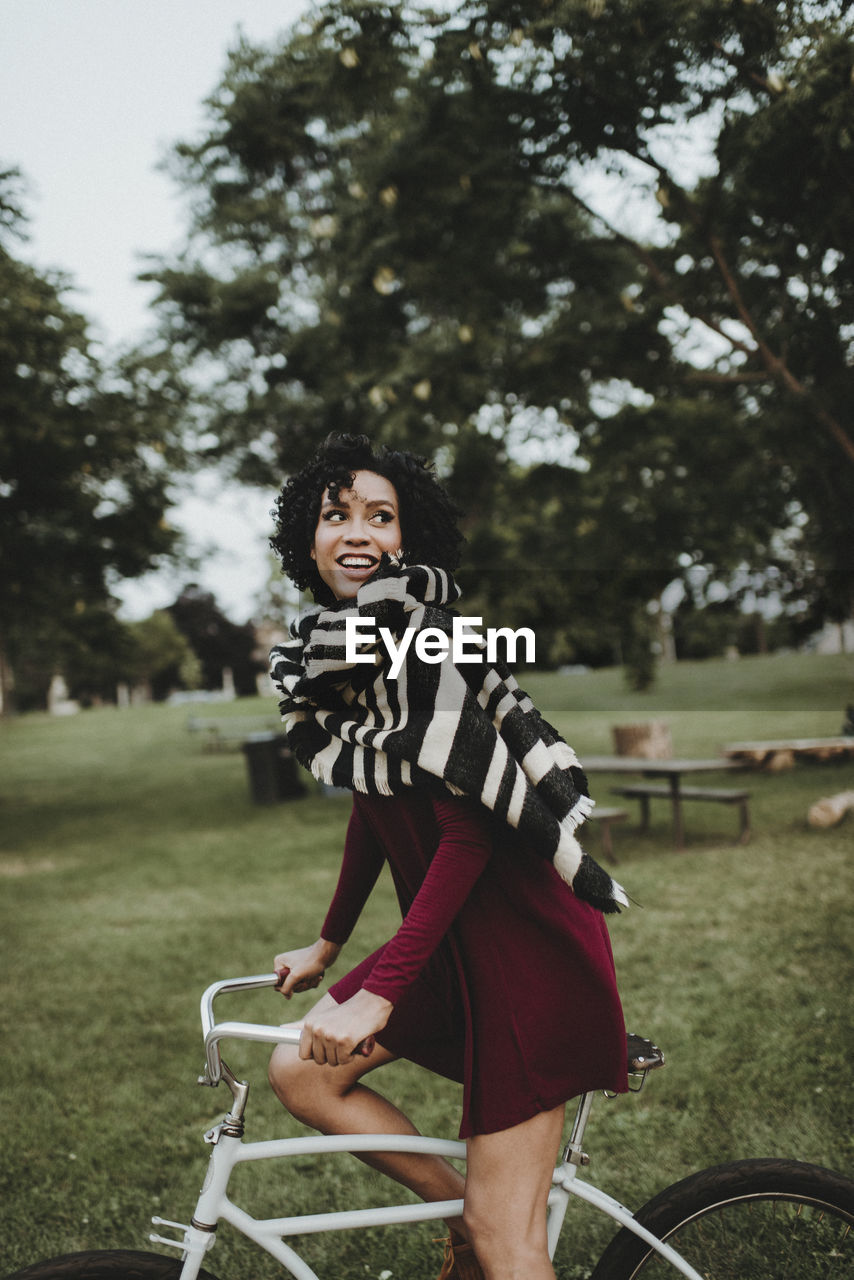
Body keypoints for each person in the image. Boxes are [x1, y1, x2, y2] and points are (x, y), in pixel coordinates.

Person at [267, 433, 628, 1280]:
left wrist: (381, 990)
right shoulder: (351, 655)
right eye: (336, 514)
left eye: (381, 517)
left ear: (409, 540)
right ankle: (465, 1214)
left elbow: (471, 833)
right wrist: (328, 943)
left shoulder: (429, 648)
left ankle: (489, 1225)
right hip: (457, 944)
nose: (357, 533)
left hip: (523, 954)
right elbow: (374, 807)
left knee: (512, 1242)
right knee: (302, 1073)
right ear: (307, 540)